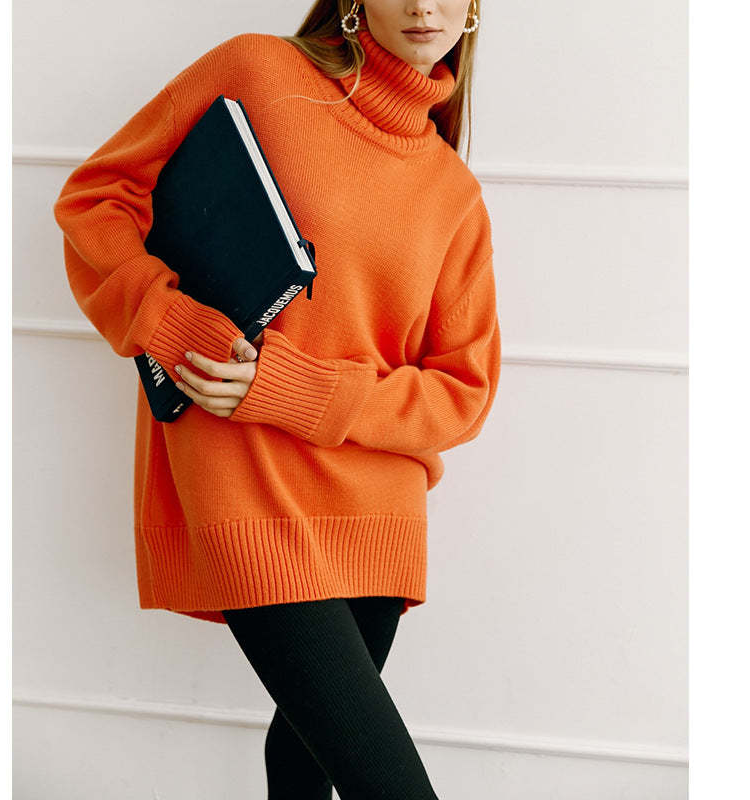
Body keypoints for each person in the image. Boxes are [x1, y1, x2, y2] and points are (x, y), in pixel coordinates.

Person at [53, 1, 499, 797]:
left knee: (304, 766)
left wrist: (297, 389)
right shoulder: (259, 72)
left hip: (376, 509)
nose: (423, 6)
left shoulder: (452, 190)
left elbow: (462, 391)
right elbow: (96, 199)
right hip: (247, 480)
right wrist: (174, 325)